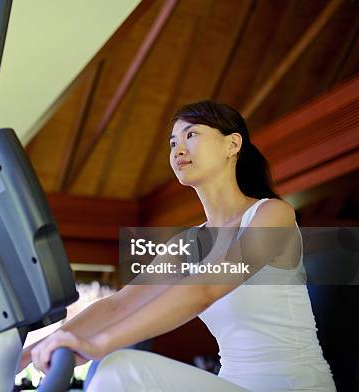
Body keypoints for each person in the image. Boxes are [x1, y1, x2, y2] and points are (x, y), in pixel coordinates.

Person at [19, 100, 336, 391]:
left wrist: (100, 344)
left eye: (191, 135)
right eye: (172, 143)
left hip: (296, 387)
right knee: (115, 368)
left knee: (120, 368)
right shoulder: (187, 244)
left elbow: (204, 290)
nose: (177, 149)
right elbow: (118, 305)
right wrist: (26, 355)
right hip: (233, 384)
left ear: (233, 144)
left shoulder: (272, 215)